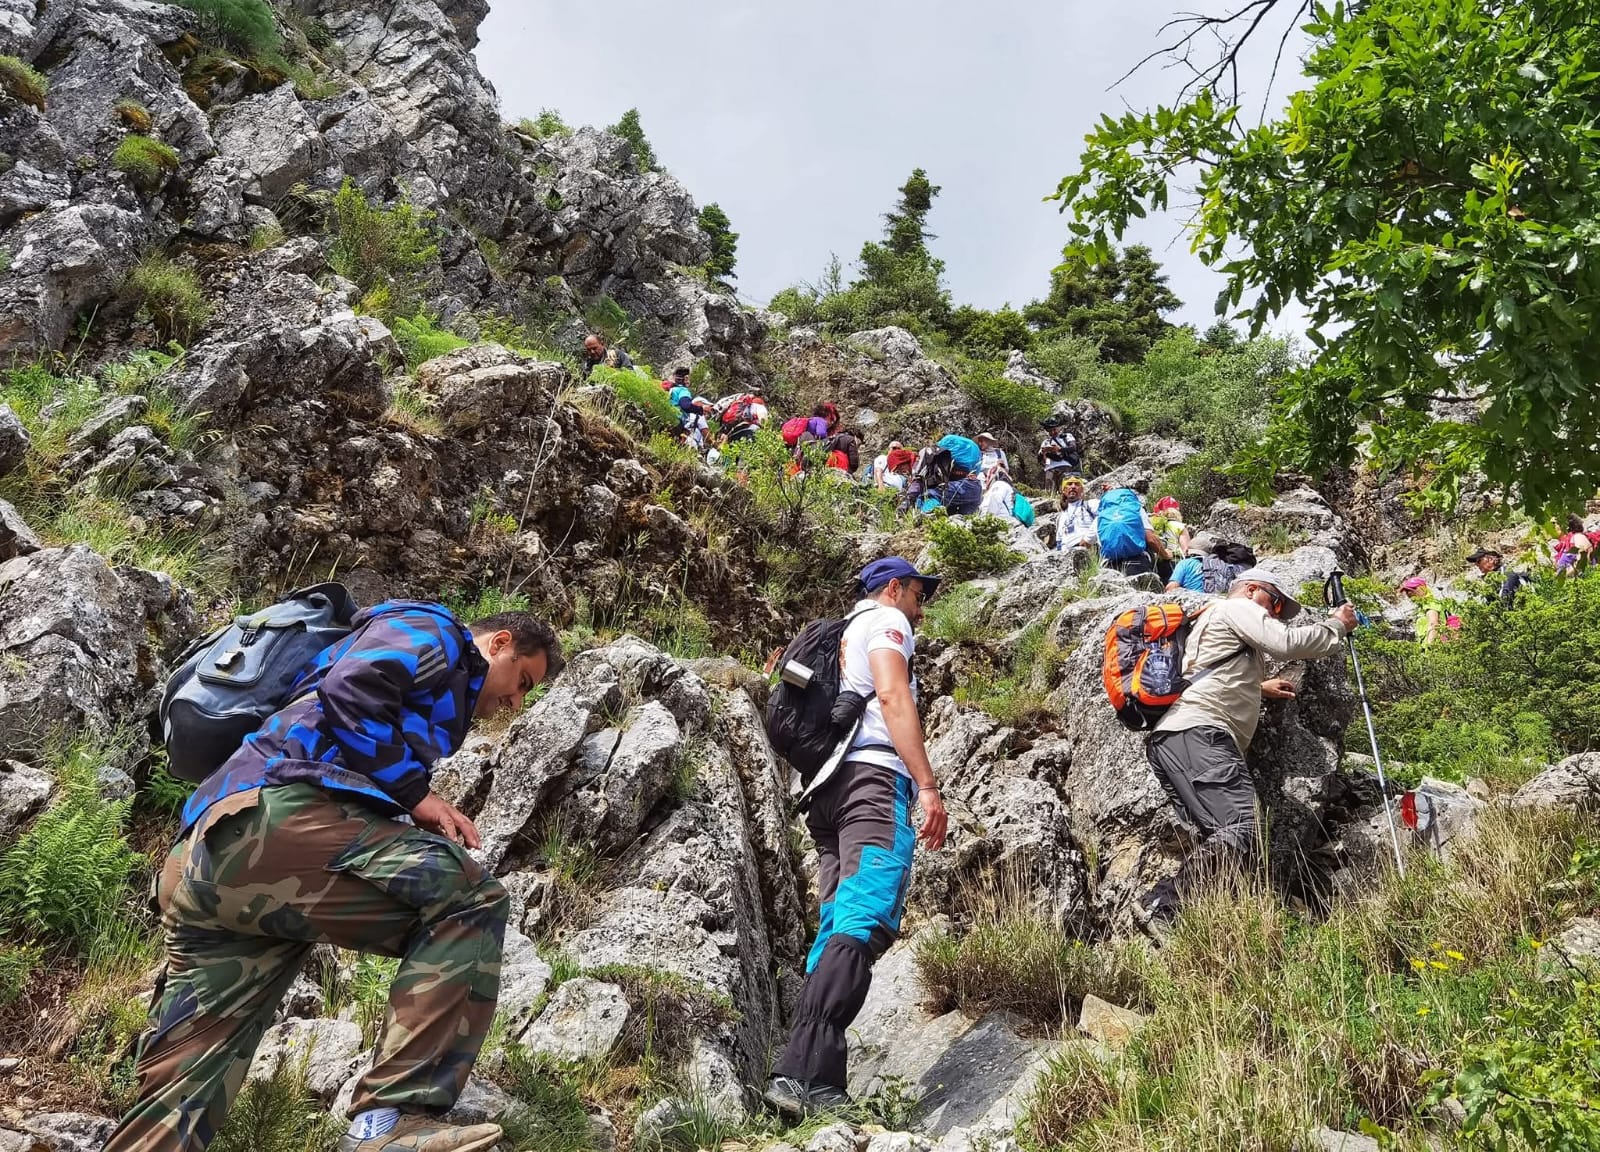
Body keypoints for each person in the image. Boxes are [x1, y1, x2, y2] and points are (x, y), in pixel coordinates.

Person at [104, 607, 564, 1152]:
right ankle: (387, 1122)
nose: (515, 702)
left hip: (208, 861)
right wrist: (417, 796)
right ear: (499, 643)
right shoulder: (434, 630)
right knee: (470, 899)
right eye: (522, 681)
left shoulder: (431, 685)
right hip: (270, 825)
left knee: (184, 1082)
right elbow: (352, 689)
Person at [764, 559, 947, 1118]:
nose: (920, 608)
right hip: (872, 784)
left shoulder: (841, 633)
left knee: (837, 925)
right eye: (917, 594)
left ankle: (803, 1074)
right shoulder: (888, 624)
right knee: (865, 919)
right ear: (893, 588)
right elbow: (892, 696)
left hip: (826, 794)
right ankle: (807, 1078)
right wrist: (926, 784)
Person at [1140, 569, 1357, 926]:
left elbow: (1207, 673)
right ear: (1253, 589)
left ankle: (1170, 913)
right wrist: (1337, 625)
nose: (1274, 613)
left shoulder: (1214, 622)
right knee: (1242, 826)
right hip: (1201, 733)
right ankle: (1166, 909)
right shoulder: (1236, 607)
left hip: (1177, 739)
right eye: (1275, 603)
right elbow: (1285, 643)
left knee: (1223, 833)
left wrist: (1258, 686)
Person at [1096, 488, 1172, 578]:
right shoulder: (1136, 509)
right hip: (1137, 562)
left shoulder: (1101, 516)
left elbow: (1085, 542)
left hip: (1109, 565)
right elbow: (1151, 539)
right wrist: (1166, 555)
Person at [1166, 536, 1257, 594]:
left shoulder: (1185, 563)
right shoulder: (1218, 564)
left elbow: (1172, 587)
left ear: (1188, 551)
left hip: (1193, 602)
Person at [1399, 576, 1455, 645]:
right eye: (1407, 591)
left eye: (1412, 590)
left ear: (1422, 589)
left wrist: (1429, 647)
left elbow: (1433, 625)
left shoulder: (1430, 604)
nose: (1409, 593)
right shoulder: (1422, 607)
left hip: (1435, 646)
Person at [1054, 476, 1099, 552]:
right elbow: (1059, 541)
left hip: (1088, 551)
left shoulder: (1090, 505)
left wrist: (1088, 539)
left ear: (1082, 490)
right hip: (1066, 555)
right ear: (1064, 490)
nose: (1073, 486)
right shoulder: (1061, 517)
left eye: (1077, 484)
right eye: (1069, 484)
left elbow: (1104, 515)